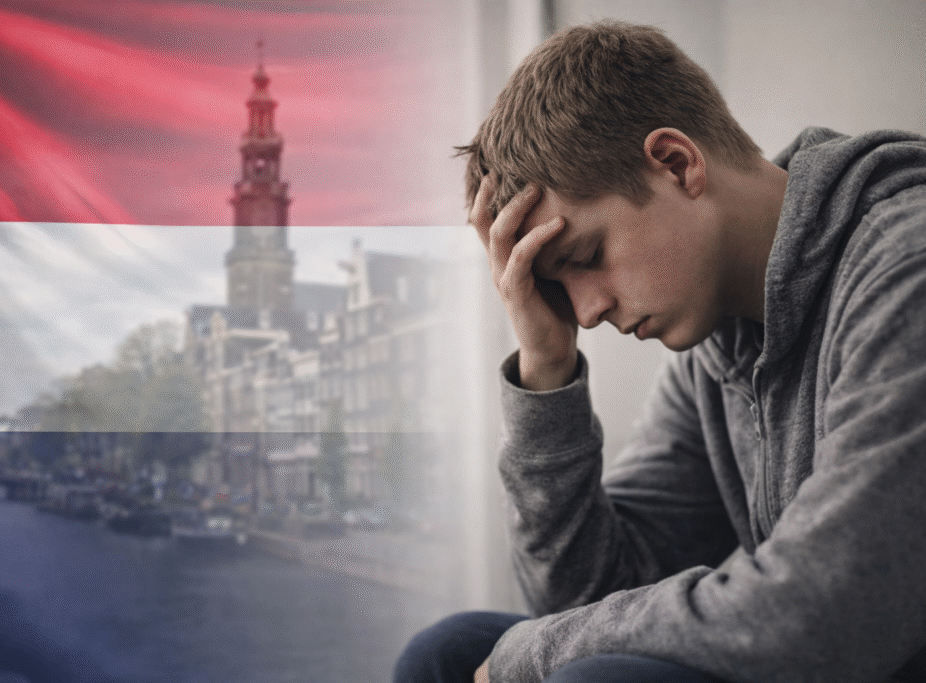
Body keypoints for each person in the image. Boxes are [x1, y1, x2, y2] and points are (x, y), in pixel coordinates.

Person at [394, 19, 926, 683]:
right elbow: (587, 592)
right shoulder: (720, 347)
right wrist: (546, 365)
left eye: (586, 256)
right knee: (448, 652)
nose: (586, 311)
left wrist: (533, 652)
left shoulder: (907, 266)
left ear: (676, 163)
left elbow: (830, 610)